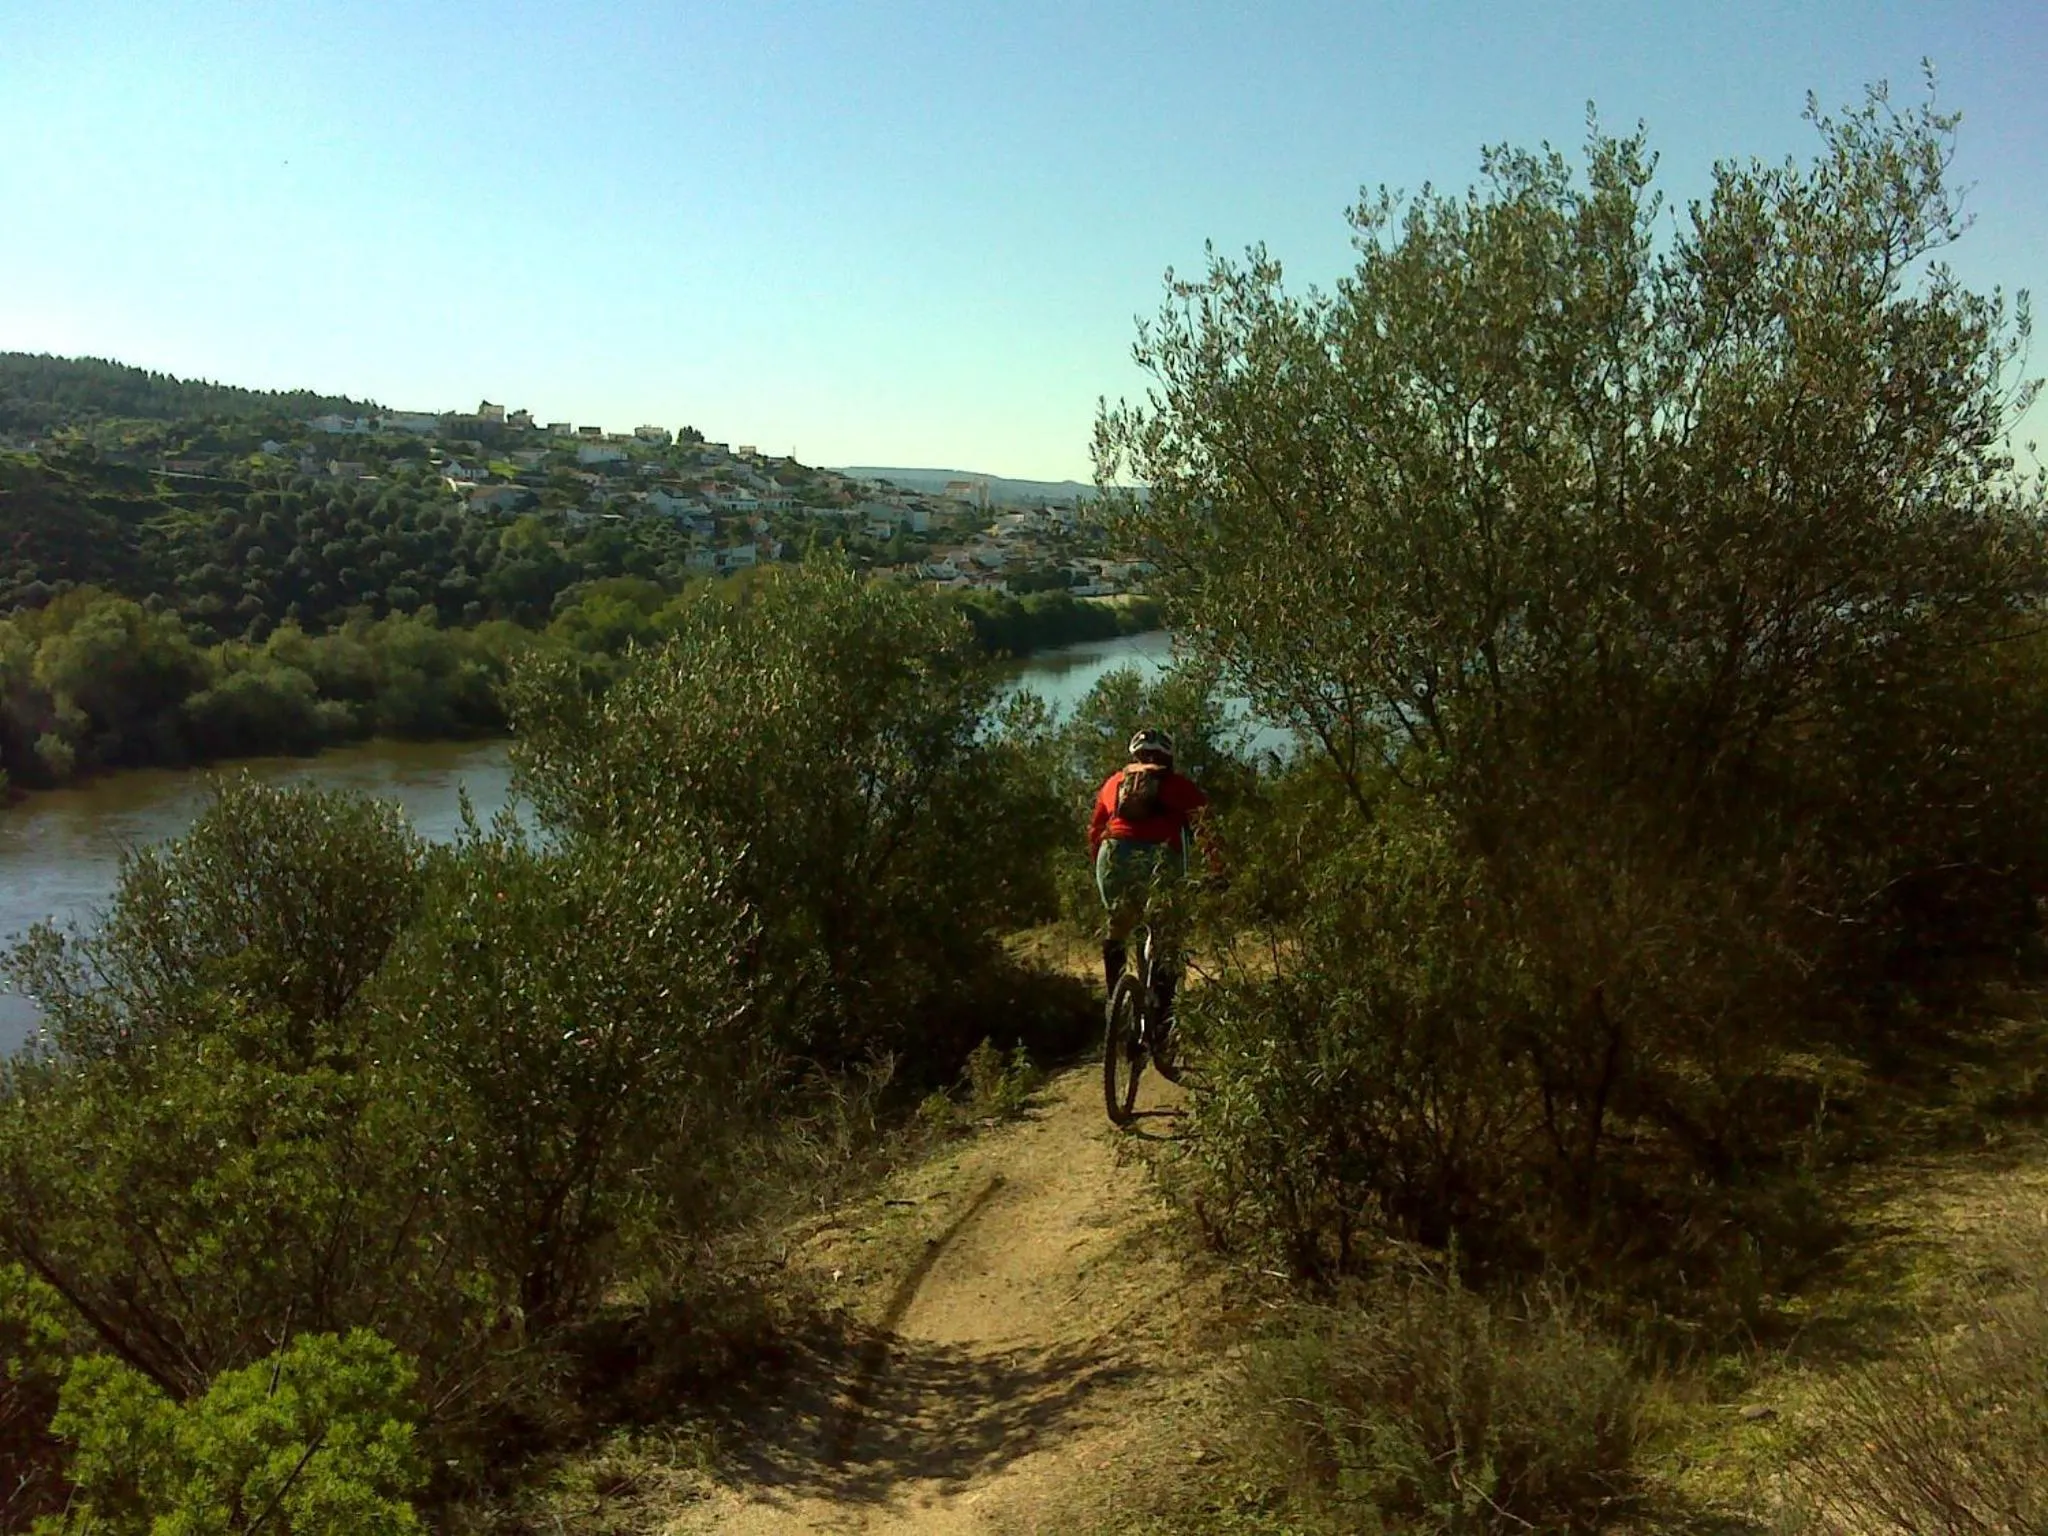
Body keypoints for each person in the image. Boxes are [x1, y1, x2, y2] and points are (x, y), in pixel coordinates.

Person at [1088, 728, 1211, 1021]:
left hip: (1112, 857)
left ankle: (1114, 999)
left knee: (1118, 925)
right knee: (1165, 935)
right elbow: (1207, 830)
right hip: (1158, 859)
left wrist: (1100, 867)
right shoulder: (1179, 786)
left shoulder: (1114, 783)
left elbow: (1095, 830)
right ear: (1168, 758)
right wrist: (1218, 870)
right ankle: (1163, 1019)